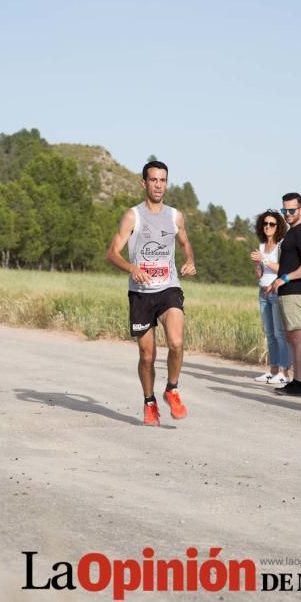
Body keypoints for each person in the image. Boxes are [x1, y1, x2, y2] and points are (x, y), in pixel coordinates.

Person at [106, 160, 196, 426]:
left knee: (177, 342)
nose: (159, 185)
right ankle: (149, 401)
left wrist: (190, 259)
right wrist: (131, 267)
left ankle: (172, 389)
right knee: (147, 355)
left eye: (163, 180)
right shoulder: (132, 216)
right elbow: (112, 253)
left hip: (169, 287)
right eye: (154, 180)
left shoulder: (174, 215)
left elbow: (185, 242)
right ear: (144, 183)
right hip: (141, 293)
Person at [267, 192, 301, 397]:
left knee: (298, 337)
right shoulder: (292, 232)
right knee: (291, 336)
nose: (287, 214)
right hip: (287, 292)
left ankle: (299, 384)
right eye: (284, 210)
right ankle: (295, 381)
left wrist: (285, 278)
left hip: (295, 291)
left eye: (291, 210)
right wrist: (276, 281)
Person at [250, 210, 291, 384]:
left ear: (278, 227)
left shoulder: (281, 246)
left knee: (280, 333)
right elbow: (259, 274)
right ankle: (273, 370)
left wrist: (264, 259)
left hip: (275, 291)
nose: (268, 227)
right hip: (263, 292)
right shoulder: (261, 246)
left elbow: (283, 269)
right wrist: (256, 264)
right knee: (269, 333)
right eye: (265, 224)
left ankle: (284, 372)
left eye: (272, 224)